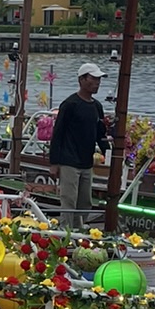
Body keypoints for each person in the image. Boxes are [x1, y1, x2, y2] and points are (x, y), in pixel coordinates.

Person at [48, 63, 110, 225]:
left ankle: (79, 231)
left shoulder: (97, 106)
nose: (97, 83)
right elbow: (58, 134)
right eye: (93, 79)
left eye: (99, 79)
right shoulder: (69, 105)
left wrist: (108, 154)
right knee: (69, 200)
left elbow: (100, 134)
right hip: (69, 161)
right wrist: (54, 163)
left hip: (87, 162)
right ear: (82, 80)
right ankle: (65, 232)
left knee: (85, 202)